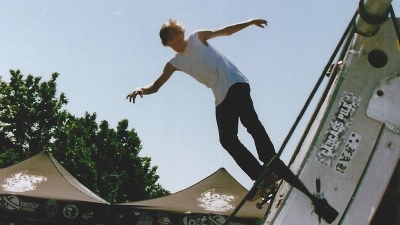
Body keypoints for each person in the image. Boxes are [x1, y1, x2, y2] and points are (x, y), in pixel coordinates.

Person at [126, 18, 338, 223]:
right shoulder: (174, 63)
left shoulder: (197, 38)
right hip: (220, 96)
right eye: (171, 43)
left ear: (181, 33)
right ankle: (262, 176)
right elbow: (156, 85)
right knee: (226, 139)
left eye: (177, 38)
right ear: (167, 45)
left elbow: (225, 31)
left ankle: (268, 156)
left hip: (235, 84)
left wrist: (249, 23)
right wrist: (141, 90)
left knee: (251, 124)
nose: (176, 44)